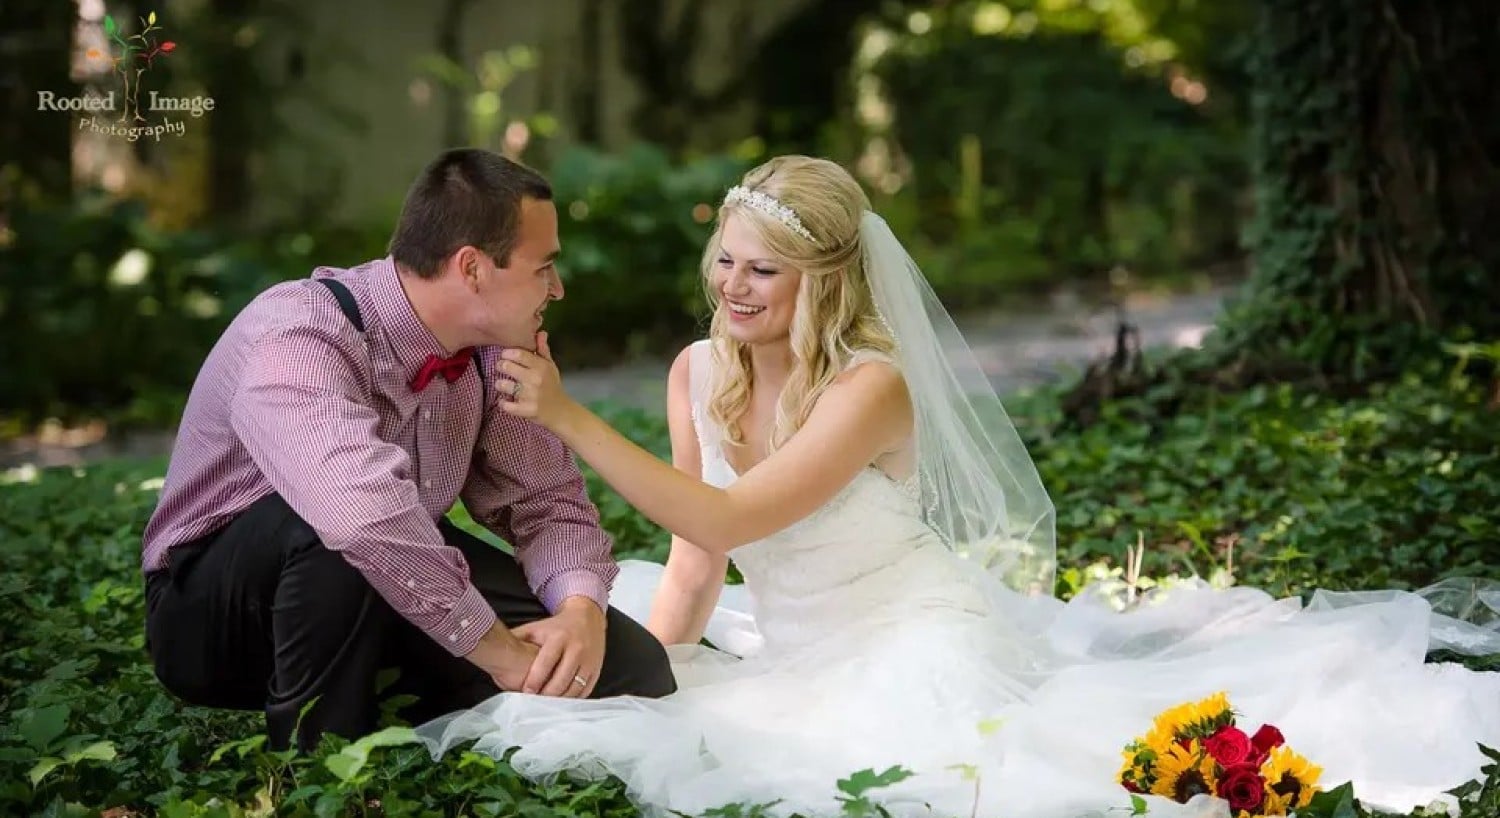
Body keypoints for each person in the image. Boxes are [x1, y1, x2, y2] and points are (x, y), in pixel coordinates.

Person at [416, 155, 1500, 818]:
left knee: (936, 767)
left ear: (825, 278)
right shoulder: (699, 370)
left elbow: (735, 513)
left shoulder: (871, 385)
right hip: (794, 640)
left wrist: (565, 415)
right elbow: (701, 554)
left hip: (914, 633)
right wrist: (673, 660)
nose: (733, 288)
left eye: (765, 269)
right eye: (725, 260)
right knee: (679, 711)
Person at [140, 148, 675, 754]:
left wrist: (581, 612)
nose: (558, 288)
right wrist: (495, 649)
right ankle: (316, 759)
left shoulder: (494, 349)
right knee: (329, 525)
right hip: (218, 618)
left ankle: (396, 698)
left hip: (394, 579)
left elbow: (545, 502)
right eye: (543, 267)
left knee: (632, 667)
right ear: (472, 268)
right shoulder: (297, 331)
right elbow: (362, 518)